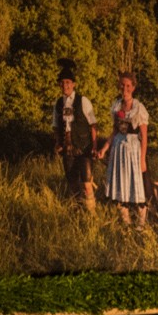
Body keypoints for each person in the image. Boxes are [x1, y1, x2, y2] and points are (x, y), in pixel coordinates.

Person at [101, 72, 149, 224]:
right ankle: (126, 223)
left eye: (128, 85)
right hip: (118, 150)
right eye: (122, 85)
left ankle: (141, 224)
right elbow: (114, 131)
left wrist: (142, 159)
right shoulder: (116, 106)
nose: (125, 88)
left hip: (133, 150)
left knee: (136, 185)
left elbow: (144, 136)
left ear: (133, 87)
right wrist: (104, 148)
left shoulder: (138, 108)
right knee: (120, 185)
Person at [52, 65, 98, 210]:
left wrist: (94, 147)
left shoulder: (83, 101)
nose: (65, 85)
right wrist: (58, 143)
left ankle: (92, 214)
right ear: (59, 85)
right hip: (67, 148)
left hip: (84, 148)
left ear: (74, 84)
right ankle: (77, 211)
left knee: (87, 183)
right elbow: (55, 126)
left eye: (68, 82)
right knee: (72, 183)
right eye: (62, 83)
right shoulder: (58, 104)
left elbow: (93, 124)